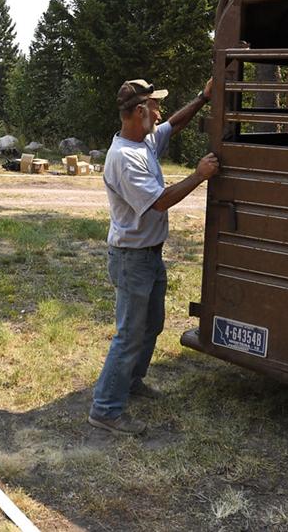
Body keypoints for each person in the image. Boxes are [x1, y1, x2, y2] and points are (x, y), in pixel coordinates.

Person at [88, 77, 219, 435]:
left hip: (148, 255)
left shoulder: (143, 140)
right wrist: (199, 176)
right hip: (132, 258)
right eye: (155, 107)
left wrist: (202, 97)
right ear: (140, 111)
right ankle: (105, 409)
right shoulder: (125, 159)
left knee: (151, 324)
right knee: (129, 334)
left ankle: (131, 382)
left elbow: (174, 125)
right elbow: (158, 202)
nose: (160, 113)